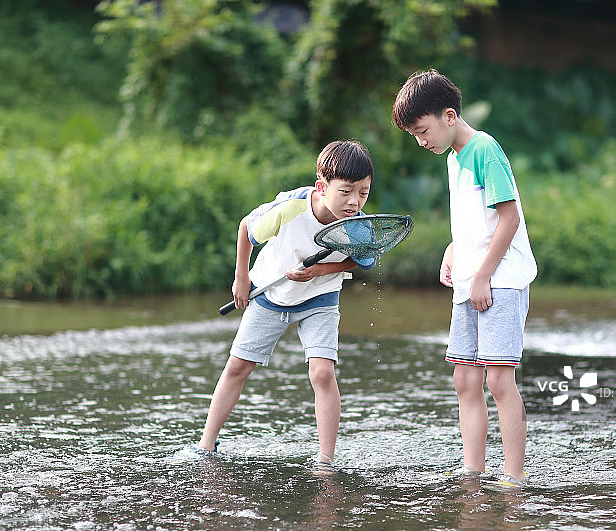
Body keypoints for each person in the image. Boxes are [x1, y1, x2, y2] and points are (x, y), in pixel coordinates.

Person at [177, 140, 375, 474]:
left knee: (322, 372)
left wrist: (320, 270)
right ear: (321, 186)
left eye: (364, 192)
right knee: (238, 366)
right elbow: (246, 229)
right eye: (345, 192)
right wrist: (241, 278)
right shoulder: (290, 206)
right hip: (270, 293)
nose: (354, 202)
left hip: (320, 297)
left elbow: (362, 263)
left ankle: (325, 462)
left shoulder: (358, 225)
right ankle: (206, 445)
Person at [392, 69, 537, 490]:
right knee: (464, 377)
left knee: (498, 377)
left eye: (422, 131)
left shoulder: (484, 150)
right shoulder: (455, 158)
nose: (421, 141)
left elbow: (509, 219)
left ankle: (514, 477)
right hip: (472, 279)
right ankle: (473, 470)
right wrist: (453, 251)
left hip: (500, 280)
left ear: (449, 115)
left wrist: (483, 277)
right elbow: (478, 220)